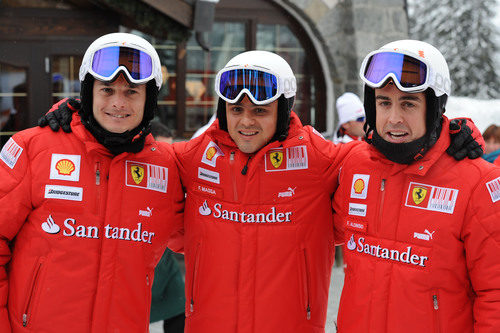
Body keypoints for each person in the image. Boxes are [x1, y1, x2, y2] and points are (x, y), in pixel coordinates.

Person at [44, 50, 484, 333]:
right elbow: (132, 151)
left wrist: (456, 137)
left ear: (284, 110)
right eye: (236, 110)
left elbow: (388, 155)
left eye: (260, 110)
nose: (246, 121)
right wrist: (79, 117)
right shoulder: (191, 159)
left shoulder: (324, 161)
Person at [0, 32, 184, 332]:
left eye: (132, 92)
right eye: (107, 89)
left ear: (149, 99)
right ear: (89, 93)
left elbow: (211, 231)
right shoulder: (34, 149)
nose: (118, 103)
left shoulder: (166, 167)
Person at [332, 40, 500, 332]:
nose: (393, 118)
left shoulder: (477, 183)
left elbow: (494, 295)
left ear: (434, 107)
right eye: (384, 102)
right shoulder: (354, 164)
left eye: (408, 103)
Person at [149, 120, 186, 333]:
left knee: (179, 308)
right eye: (161, 150)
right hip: (132, 267)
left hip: (164, 264)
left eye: (171, 150)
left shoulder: (173, 177)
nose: (167, 158)